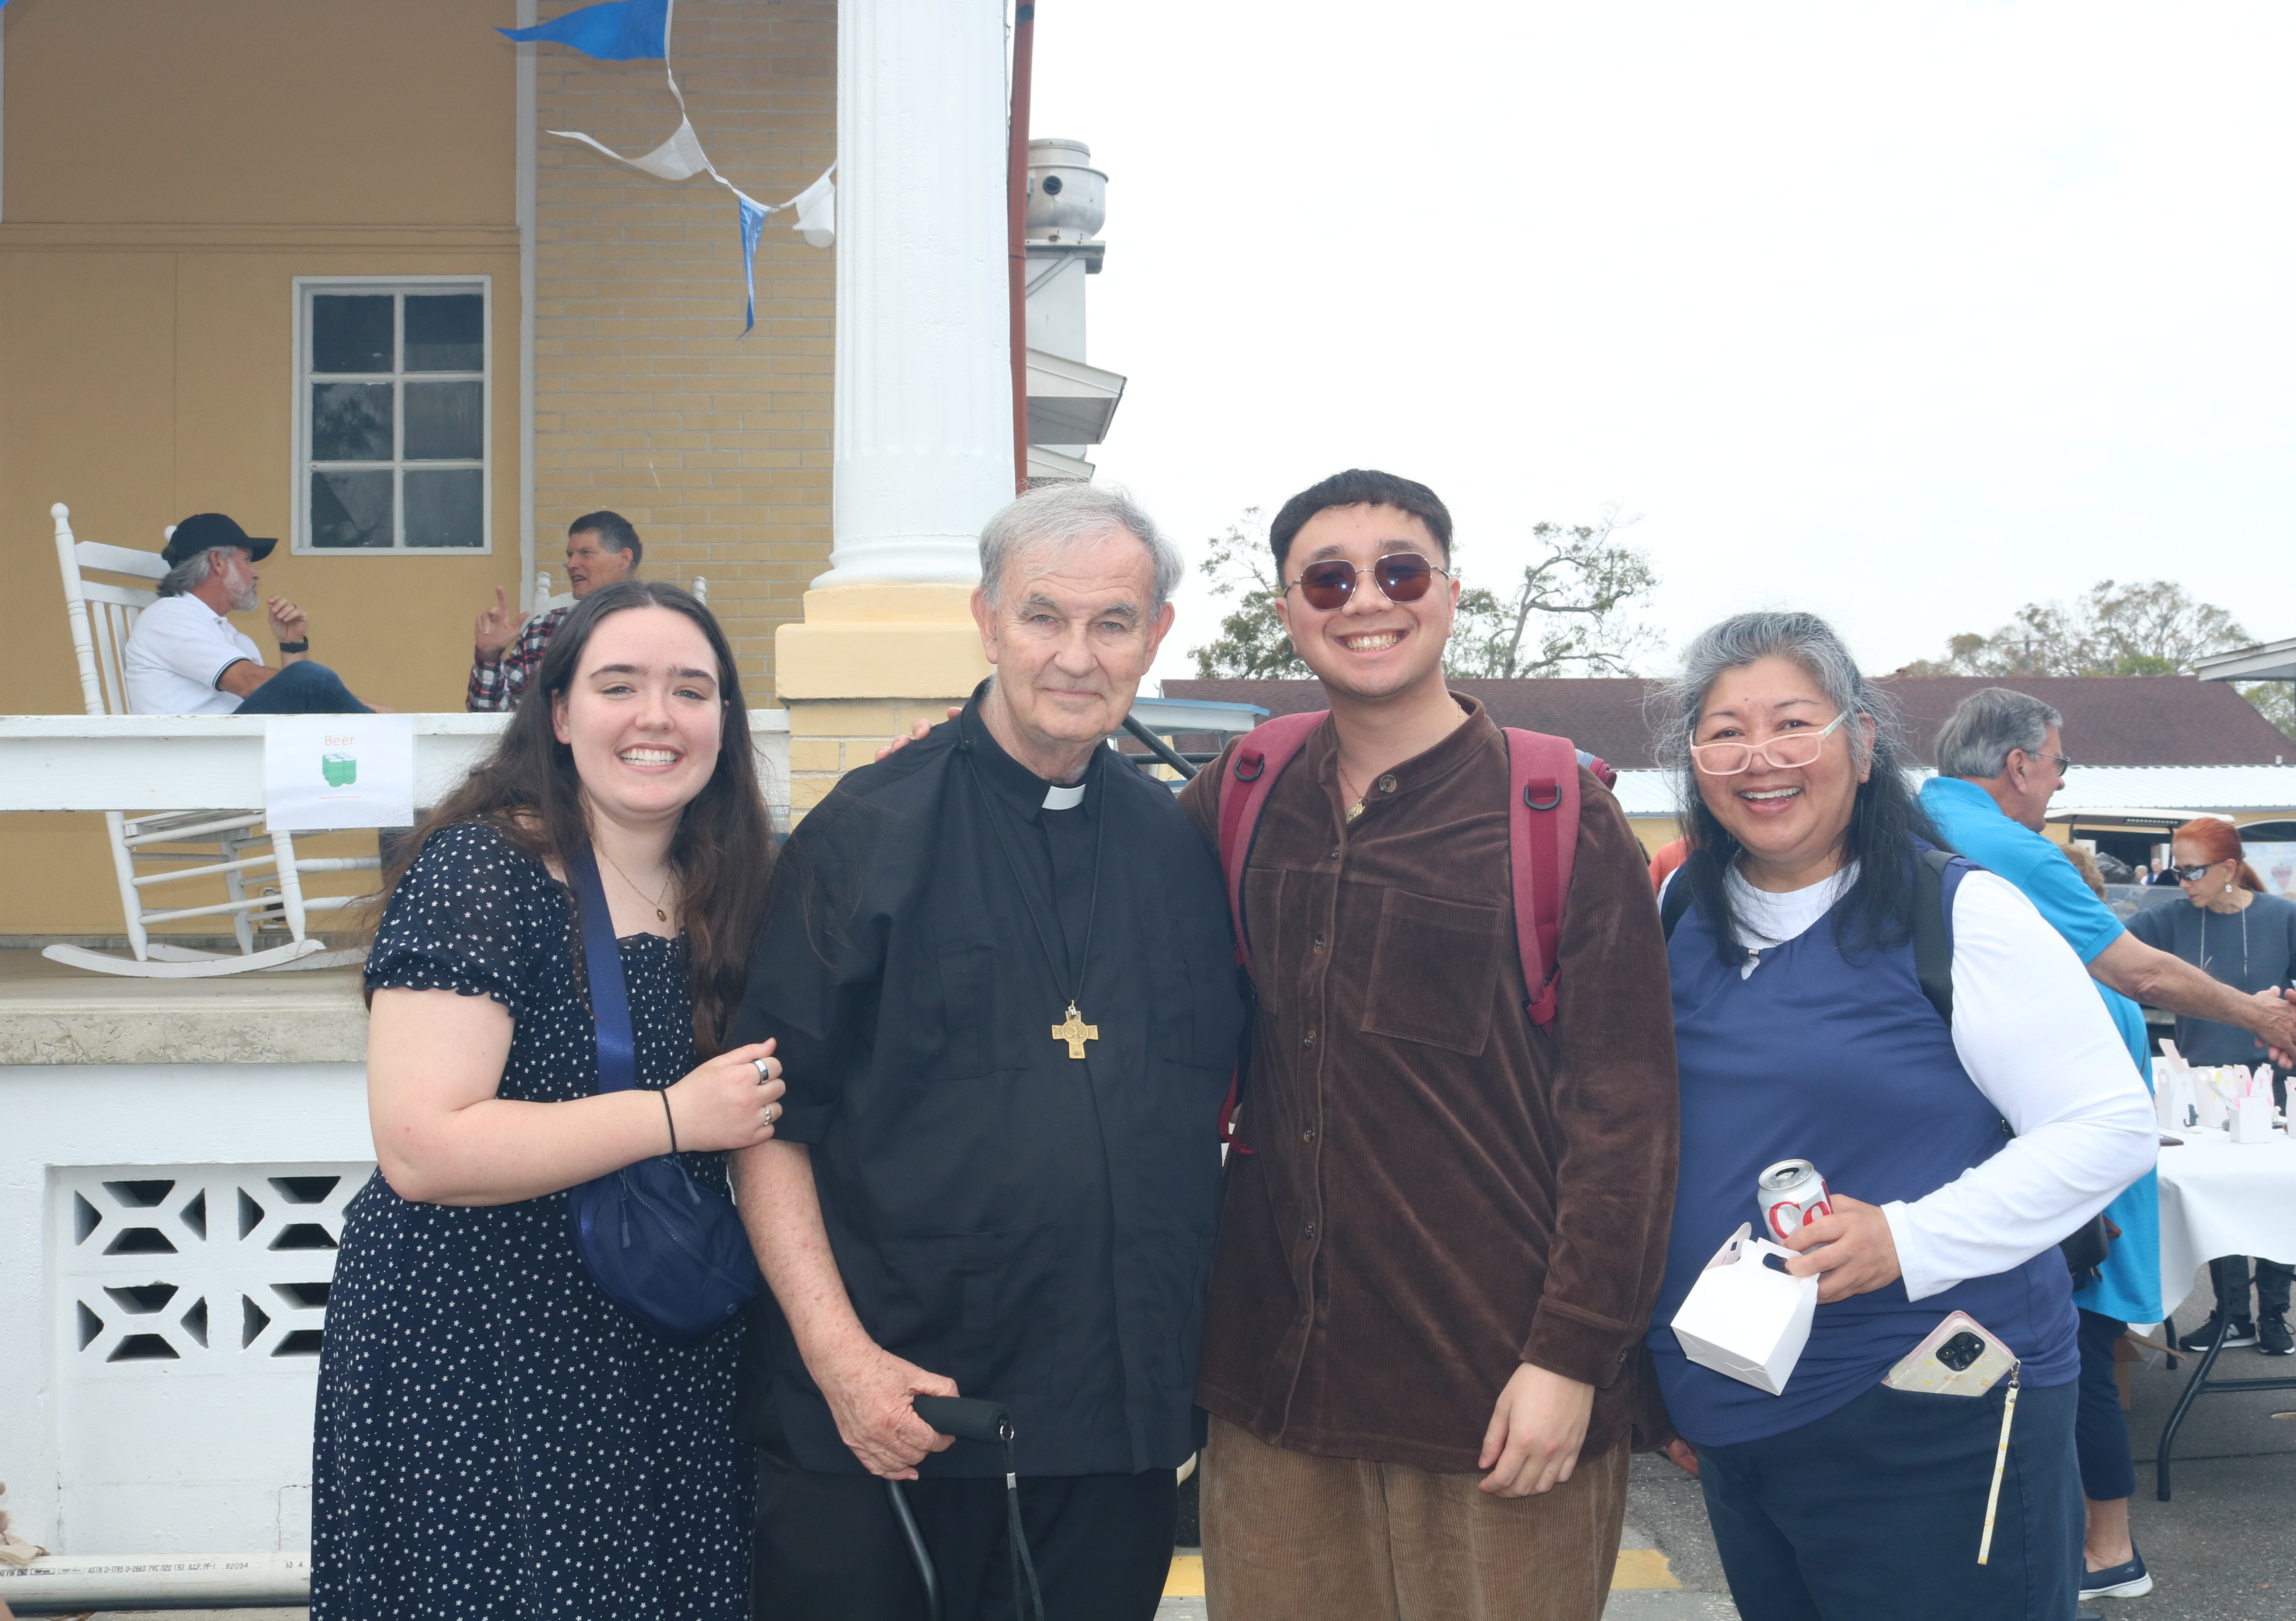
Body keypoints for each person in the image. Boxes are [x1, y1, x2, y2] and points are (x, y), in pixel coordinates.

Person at [728, 483, 1240, 1620]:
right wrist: (841, 1361)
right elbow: (765, 1123)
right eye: (1043, 617)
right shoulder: (866, 831)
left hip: (1111, 1424)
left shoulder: (1176, 847)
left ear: (1156, 636)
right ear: (988, 619)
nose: (1077, 655)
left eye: (1114, 623)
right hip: (895, 1418)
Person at [1176, 470, 1678, 1621]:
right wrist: (967, 755)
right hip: (1277, 1390)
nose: (1368, 600)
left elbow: (1629, 1123)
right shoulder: (1245, 793)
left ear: (1450, 593)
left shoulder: (1558, 809)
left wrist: (1572, 1360)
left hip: (1497, 1388)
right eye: (1329, 577)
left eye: (1400, 571)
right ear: (1289, 607)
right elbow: (1089, 883)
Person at [1652, 617, 2155, 1621]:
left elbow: (2108, 1127)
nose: (1762, 759)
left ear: (1865, 738)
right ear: (1692, 760)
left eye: (1795, 722)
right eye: (1724, 732)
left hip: (1932, 1408)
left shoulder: (1961, 912)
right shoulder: (1682, 914)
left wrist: (1907, 1238)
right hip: (1738, 1409)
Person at [312, 580, 782, 1617]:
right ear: (561, 715)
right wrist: (674, 1116)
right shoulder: (484, 872)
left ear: (723, 722)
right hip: (482, 1350)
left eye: (691, 690)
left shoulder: (735, 881)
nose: (657, 715)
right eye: (621, 685)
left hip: (661, 1344)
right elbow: (422, 1145)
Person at [1915, 686, 2296, 1604]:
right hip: (2044, 1137)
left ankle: (2046, 1532)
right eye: (2059, 766)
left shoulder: (1914, 820)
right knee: (2084, 1341)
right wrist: (2256, 1011)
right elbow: (2134, 969)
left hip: (1986, 1128)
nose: (2059, 785)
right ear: (2018, 766)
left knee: (2002, 1339)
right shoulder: (2007, 847)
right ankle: (2109, 1547)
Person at [2125, 816, 2296, 1358]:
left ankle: (2275, 1313)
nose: (2181, 880)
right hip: (2203, 1089)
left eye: (2192, 870)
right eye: (2173, 868)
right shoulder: (2167, 921)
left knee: (2280, 1202)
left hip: (2278, 1084)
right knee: (2223, 1205)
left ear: (2230, 868)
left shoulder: (2284, 918)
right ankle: (2233, 1314)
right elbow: (2106, 954)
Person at [124, 513, 387, 714]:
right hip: (194, 754)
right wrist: (363, 709)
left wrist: (291, 643)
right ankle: (379, 733)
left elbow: (289, 702)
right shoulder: (168, 617)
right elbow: (247, 683)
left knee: (309, 681)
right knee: (311, 679)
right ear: (217, 562)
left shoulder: (231, 636)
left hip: (238, 745)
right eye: (248, 560)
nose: (256, 573)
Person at [468, 511, 644, 712]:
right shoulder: (545, 630)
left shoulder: (660, 628)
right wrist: (489, 658)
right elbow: (489, 717)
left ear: (624, 559)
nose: (571, 565)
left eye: (586, 553)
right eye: (570, 555)